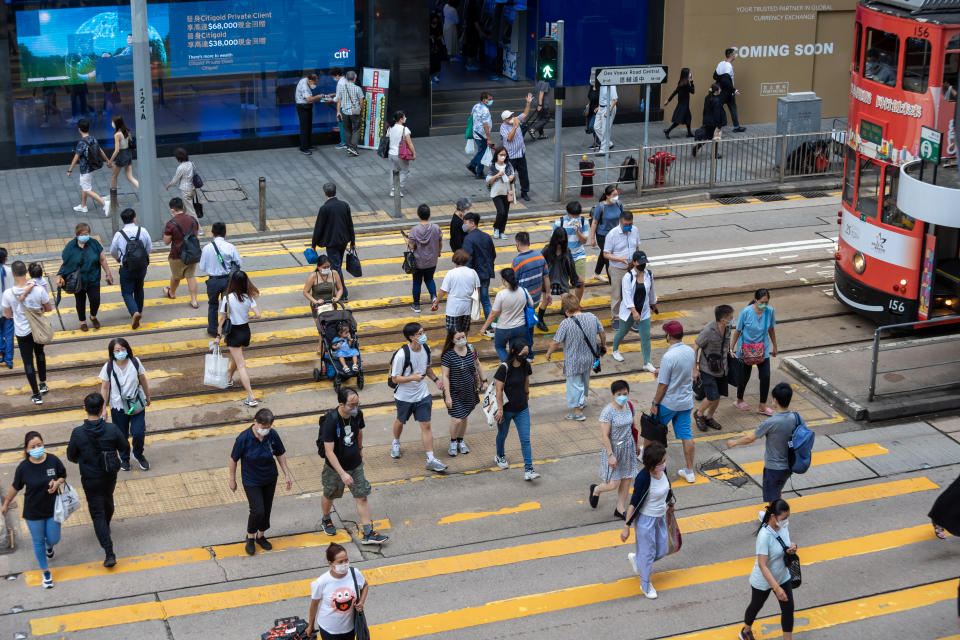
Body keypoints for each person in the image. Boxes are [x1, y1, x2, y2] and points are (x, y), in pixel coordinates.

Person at [66, 392, 129, 567]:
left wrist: (84, 459)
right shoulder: (112, 429)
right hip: (109, 476)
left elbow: (71, 456)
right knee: (108, 500)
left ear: (84, 409)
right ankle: (105, 527)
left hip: (90, 478)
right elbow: (124, 446)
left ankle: (109, 552)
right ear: (103, 408)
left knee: (97, 513)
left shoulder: (78, 433)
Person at [319, 388, 389, 545]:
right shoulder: (331, 421)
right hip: (335, 468)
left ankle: (368, 533)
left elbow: (359, 432)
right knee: (330, 494)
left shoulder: (357, 414)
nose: (355, 407)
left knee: (362, 496)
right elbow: (329, 452)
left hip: (355, 464)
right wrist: (342, 474)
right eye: (351, 405)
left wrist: (360, 449)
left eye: (357, 404)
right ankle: (326, 518)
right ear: (341, 404)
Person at [1, 431, 67, 589]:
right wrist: (6, 503)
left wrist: (58, 483)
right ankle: (46, 573)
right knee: (38, 541)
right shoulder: (23, 468)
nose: (37, 448)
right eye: (33, 447)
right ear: (27, 450)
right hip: (33, 513)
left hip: (52, 510)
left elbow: (62, 475)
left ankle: (49, 546)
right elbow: (15, 487)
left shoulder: (52, 460)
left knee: (54, 538)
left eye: (39, 445)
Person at [228, 408, 293, 555]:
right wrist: (232, 479)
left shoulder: (272, 435)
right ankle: (250, 537)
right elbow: (233, 459)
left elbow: (280, 454)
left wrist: (287, 475)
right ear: (255, 422)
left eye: (268, 427)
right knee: (258, 510)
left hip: (269, 477)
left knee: (267, 508)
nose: (266, 430)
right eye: (263, 427)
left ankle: (261, 536)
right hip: (251, 480)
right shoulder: (244, 438)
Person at [390, 322, 447, 472]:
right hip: (404, 397)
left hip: (422, 395)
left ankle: (430, 458)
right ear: (411, 337)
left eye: (423, 332)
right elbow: (395, 378)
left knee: (426, 425)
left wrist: (436, 380)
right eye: (420, 333)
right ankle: (396, 441)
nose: (423, 335)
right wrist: (412, 378)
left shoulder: (426, 349)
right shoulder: (402, 355)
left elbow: (427, 368)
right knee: (400, 421)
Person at [620, 441, 674, 600]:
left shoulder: (663, 470)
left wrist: (670, 503)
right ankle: (645, 585)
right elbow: (634, 503)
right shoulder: (643, 478)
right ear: (652, 464)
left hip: (660, 518)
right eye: (661, 462)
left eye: (664, 461)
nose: (664, 464)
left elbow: (667, 489)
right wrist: (626, 526)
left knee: (662, 550)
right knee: (648, 553)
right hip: (646, 521)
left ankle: (638, 560)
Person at [726, 383, 797, 502]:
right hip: (789, 465)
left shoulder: (771, 422)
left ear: (774, 400)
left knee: (772, 499)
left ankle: (778, 518)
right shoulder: (795, 417)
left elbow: (750, 438)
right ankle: (778, 514)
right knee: (777, 490)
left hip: (773, 468)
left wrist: (734, 442)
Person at [739, 499, 797, 640]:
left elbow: (786, 543)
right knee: (756, 606)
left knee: (788, 610)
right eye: (784, 518)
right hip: (764, 580)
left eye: (787, 517)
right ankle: (746, 631)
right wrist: (776, 588)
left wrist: (792, 548)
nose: (786, 521)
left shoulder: (783, 527)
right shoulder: (764, 536)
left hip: (782, 574)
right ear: (773, 517)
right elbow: (762, 565)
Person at [546, 294, 605, 421]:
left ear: (566, 311)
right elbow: (602, 332)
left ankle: (578, 412)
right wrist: (603, 345)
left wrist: (549, 353)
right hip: (589, 358)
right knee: (584, 381)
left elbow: (556, 342)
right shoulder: (592, 317)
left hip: (573, 360)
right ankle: (581, 402)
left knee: (574, 385)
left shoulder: (565, 323)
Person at [651, 320, 697, 484]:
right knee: (686, 435)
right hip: (686, 402)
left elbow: (663, 385)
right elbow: (686, 371)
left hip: (669, 403)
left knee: (654, 434)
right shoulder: (690, 351)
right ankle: (690, 471)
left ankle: (654, 466)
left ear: (669, 336)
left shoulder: (668, 356)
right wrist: (662, 370)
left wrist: (655, 402)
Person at [1, 261, 52, 405]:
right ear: (26, 272)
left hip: (22, 332)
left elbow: (8, 315)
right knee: (40, 354)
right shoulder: (38, 289)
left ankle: (36, 395)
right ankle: (43, 384)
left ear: (13, 274)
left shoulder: (8, 294)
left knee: (28, 362)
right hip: (38, 329)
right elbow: (48, 308)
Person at [588, 379, 640, 518]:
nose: (622, 396)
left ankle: (620, 508)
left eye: (625, 393)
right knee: (613, 484)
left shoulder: (629, 405)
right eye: (619, 394)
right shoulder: (608, 412)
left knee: (627, 478)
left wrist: (636, 445)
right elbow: (605, 436)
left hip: (628, 447)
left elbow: (632, 427)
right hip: (614, 449)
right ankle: (596, 489)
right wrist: (611, 455)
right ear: (613, 395)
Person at [98, 338, 151, 472]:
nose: (120, 352)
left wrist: (147, 396)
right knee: (121, 435)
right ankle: (124, 458)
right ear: (112, 352)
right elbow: (105, 388)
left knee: (138, 433)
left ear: (127, 349)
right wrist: (103, 408)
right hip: (118, 407)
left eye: (122, 349)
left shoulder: (135, 362)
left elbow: (143, 379)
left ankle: (138, 454)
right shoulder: (109, 366)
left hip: (136, 404)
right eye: (117, 350)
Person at [493, 339, 539, 480]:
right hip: (506, 410)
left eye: (526, 353)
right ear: (514, 351)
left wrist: (527, 394)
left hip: (522, 409)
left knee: (525, 439)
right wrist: (500, 410)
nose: (525, 355)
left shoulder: (525, 365)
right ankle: (499, 456)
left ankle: (529, 469)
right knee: (502, 434)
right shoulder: (504, 368)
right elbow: (499, 390)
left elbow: (526, 380)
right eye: (522, 353)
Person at [56, 223, 113, 331]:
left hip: (93, 278)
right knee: (80, 301)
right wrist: (59, 276)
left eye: (87, 234)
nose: (85, 236)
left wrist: (108, 273)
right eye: (82, 234)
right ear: (77, 235)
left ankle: (93, 316)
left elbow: (102, 259)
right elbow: (64, 262)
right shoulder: (71, 246)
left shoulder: (94, 243)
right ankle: (82, 321)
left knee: (95, 299)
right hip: (78, 280)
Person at [730, 288, 779, 416]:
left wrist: (775, 346)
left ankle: (762, 406)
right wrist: (731, 348)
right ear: (755, 299)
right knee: (744, 377)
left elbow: (771, 329)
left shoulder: (770, 311)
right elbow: (737, 331)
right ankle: (739, 399)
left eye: (766, 302)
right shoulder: (746, 312)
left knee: (765, 376)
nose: (764, 305)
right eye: (762, 302)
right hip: (746, 349)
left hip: (763, 348)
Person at [217, 270, 262, 407]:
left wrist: (218, 336)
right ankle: (229, 377)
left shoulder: (227, 298)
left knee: (241, 365)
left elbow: (222, 319)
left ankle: (251, 396)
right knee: (237, 357)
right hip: (245, 332)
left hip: (234, 332)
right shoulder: (249, 297)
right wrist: (249, 316)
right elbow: (258, 315)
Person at [307, 542, 369, 639]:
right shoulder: (321, 582)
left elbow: (365, 585)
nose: (344, 564)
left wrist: (361, 602)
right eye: (340, 562)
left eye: (346, 560)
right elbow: (314, 605)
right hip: (329, 630)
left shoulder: (354, 573)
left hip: (350, 628)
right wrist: (311, 625)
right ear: (330, 563)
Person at [441, 330, 486, 456]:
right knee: (457, 420)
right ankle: (453, 441)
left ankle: (460, 440)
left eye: (463, 336)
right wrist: (448, 396)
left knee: (464, 416)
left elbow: (478, 365)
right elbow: (445, 376)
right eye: (458, 337)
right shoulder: (448, 356)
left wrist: (485, 380)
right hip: (454, 392)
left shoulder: (471, 349)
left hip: (469, 390)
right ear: (452, 340)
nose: (462, 339)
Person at [612, 250, 658, 370]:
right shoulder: (628, 277)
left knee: (646, 336)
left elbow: (651, 291)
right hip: (629, 312)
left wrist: (654, 303)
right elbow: (626, 296)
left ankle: (647, 363)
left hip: (644, 311)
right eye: (641, 262)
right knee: (623, 332)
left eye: (644, 262)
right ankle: (615, 349)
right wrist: (634, 311)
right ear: (635, 262)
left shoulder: (649, 274)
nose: (643, 265)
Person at [311, 183, 356, 303]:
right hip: (343, 241)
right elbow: (350, 224)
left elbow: (318, 227)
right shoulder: (344, 205)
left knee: (335, 268)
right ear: (335, 192)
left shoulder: (324, 208)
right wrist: (352, 241)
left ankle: (343, 294)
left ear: (324, 193)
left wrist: (313, 244)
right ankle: (341, 292)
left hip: (331, 243)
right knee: (338, 265)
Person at [693, 304, 734, 431]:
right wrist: (694, 369)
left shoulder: (728, 328)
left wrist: (730, 351)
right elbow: (695, 348)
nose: (732, 319)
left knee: (719, 394)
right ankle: (699, 414)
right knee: (712, 396)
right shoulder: (708, 331)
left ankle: (709, 417)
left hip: (723, 368)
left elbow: (725, 345)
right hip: (707, 369)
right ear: (723, 320)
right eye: (731, 317)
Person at [109, 208, 152, 330]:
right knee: (139, 289)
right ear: (134, 218)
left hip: (126, 267)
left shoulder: (119, 234)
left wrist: (118, 259)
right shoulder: (142, 231)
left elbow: (112, 251)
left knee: (127, 292)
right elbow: (149, 248)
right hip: (141, 266)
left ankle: (134, 313)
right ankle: (139, 311)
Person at [480, 268, 534, 362]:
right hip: (520, 327)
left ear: (504, 280)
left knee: (500, 347)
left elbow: (493, 314)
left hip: (504, 328)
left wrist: (484, 328)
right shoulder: (523, 290)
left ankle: (507, 366)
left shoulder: (501, 294)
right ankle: (516, 367)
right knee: (514, 350)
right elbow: (532, 304)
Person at [199, 222, 242, 337]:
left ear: (212, 233)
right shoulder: (230, 247)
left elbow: (202, 267)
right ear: (225, 234)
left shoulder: (207, 248)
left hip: (213, 281)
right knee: (228, 305)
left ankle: (213, 329)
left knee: (213, 305)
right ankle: (227, 327)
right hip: (227, 281)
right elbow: (239, 263)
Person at [512, 231, 552, 349]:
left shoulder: (517, 261)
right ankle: (529, 347)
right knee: (530, 322)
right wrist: (548, 293)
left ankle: (527, 350)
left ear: (517, 244)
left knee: (522, 326)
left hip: (522, 300)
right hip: (535, 299)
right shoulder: (540, 256)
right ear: (529, 242)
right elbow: (546, 276)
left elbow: (513, 282)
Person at [603, 211, 641, 330]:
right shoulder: (612, 234)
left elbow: (637, 246)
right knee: (617, 294)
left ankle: (632, 317)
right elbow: (606, 254)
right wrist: (620, 259)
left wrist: (636, 262)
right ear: (620, 222)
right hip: (617, 269)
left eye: (630, 223)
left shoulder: (634, 230)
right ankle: (616, 318)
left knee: (632, 293)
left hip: (632, 268)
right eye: (626, 224)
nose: (628, 226)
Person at [67, 118, 111, 215]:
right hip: (94, 167)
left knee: (87, 189)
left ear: (79, 129)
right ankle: (83, 206)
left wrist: (69, 170)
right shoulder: (93, 138)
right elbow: (100, 150)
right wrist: (107, 160)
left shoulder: (81, 143)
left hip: (85, 169)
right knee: (84, 185)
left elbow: (76, 157)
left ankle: (104, 203)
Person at [162, 197, 200, 309]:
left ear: (172, 210)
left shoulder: (171, 224)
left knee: (176, 276)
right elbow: (195, 235)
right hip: (192, 254)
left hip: (177, 255)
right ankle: (194, 301)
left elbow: (166, 242)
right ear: (183, 207)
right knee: (191, 276)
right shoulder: (193, 220)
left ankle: (172, 293)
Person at [540, 226, 580, 331]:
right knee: (545, 302)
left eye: (562, 241)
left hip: (562, 280)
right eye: (559, 241)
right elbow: (539, 264)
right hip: (548, 280)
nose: (560, 244)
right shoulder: (546, 250)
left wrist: (575, 280)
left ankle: (570, 323)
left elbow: (571, 266)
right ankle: (540, 321)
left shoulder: (567, 251)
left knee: (567, 302)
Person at [461, 212, 496, 328]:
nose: (463, 225)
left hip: (475, 276)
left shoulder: (468, 239)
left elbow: (467, 259)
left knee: (469, 300)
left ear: (472, 223)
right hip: (486, 273)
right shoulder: (486, 236)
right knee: (485, 300)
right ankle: (491, 326)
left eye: (465, 223)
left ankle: (464, 325)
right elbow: (493, 254)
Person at [303, 255, 345, 353]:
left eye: (328, 267)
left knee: (332, 327)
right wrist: (315, 302)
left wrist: (337, 298)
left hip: (331, 305)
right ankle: (320, 347)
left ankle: (331, 345)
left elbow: (340, 288)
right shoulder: (313, 276)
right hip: (318, 308)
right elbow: (305, 292)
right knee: (321, 329)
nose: (326, 269)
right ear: (318, 267)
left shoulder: (334, 274)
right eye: (324, 267)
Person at [433, 249, 479, 334]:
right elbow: (477, 290)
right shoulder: (473, 272)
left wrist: (436, 302)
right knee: (464, 331)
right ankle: (463, 345)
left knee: (452, 333)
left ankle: (454, 346)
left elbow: (443, 291)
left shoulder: (451, 273)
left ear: (454, 260)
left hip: (453, 307)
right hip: (467, 306)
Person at [498, 94, 534, 201]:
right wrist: (515, 127)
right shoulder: (503, 127)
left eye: (512, 116)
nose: (512, 118)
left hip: (521, 154)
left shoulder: (515, 120)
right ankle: (510, 193)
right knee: (510, 176)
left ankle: (524, 192)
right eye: (509, 117)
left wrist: (528, 103)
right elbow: (509, 138)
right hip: (510, 156)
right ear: (505, 120)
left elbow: (525, 114)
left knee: (524, 174)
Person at [407, 204, 442, 313]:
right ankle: (434, 299)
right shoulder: (436, 228)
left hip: (418, 262)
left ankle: (416, 305)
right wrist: (438, 252)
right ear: (429, 214)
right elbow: (440, 243)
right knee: (429, 279)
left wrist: (406, 240)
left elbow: (411, 246)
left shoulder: (414, 230)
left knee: (417, 282)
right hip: (432, 261)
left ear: (418, 215)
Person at [553, 201, 590, 300]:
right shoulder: (559, 222)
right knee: (565, 283)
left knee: (580, 282)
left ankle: (576, 304)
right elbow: (554, 241)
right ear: (567, 212)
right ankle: (566, 304)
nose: (574, 218)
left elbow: (585, 240)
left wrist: (577, 231)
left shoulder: (583, 221)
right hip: (564, 256)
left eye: (576, 216)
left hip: (579, 254)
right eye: (572, 215)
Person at [589, 186, 623, 280]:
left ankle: (597, 273)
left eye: (617, 194)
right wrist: (592, 238)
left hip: (616, 235)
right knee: (609, 258)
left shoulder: (619, 204)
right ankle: (613, 283)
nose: (616, 197)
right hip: (603, 236)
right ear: (607, 196)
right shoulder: (600, 207)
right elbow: (594, 222)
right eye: (614, 195)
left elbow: (622, 219)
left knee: (603, 253)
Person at [486, 146, 517, 239]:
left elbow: (512, 175)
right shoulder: (493, 166)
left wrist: (512, 177)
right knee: (501, 211)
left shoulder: (508, 165)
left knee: (506, 212)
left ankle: (502, 231)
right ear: (497, 155)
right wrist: (497, 175)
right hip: (496, 193)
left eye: (504, 155)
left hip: (507, 192)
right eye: (501, 154)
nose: (503, 156)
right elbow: (489, 181)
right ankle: (496, 228)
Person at [716, 48, 746, 133]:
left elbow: (715, 76)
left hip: (721, 91)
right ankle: (736, 127)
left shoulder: (720, 64)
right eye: (734, 54)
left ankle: (715, 126)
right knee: (733, 108)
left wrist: (720, 81)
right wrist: (733, 90)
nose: (735, 55)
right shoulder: (728, 66)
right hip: (728, 92)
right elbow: (726, 80)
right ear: (731, 55)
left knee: (718, 107)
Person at [693, 82, 726, 159]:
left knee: (707, 137)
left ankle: (696, 148)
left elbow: (705, 110)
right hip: (714, 122)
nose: (720, 90)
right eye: (719, 89)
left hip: (708, 121)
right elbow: (717, 114)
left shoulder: (707, 97)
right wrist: (719, 125)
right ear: (716, 91)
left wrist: (704, 120)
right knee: (716, 137)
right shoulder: (716, 100)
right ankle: (714, 154)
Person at [165, 148, 199, 221]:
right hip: (192, 189)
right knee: (185, 208)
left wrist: (169, 185)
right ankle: (181, 221)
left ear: (179, 158)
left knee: (191, 210)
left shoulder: (181, 167)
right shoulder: (191, 163)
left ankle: (199, 228)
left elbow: (175, 180)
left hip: (185, 191)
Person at [388, 110, 416, 197]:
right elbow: (410, 143)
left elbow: (387, 137)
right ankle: (397, 189)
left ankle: (393, 189)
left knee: (394, 171)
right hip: (400, 154)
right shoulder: (405, 129)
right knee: (405, 171)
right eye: (404, 117)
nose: (405, 118)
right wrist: (413, 153)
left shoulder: (390, 127)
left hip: (391, 153)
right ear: (401, 119)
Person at [336, 70, 365, 157]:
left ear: (347, 78)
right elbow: (361, 102)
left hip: (344, 112)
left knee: (347, 129)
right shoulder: (358, 88)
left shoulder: (342, 88)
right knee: (357, 129)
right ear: (355, 78)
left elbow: (339, 101)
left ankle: (349, 147)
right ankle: (352, 147)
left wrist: (338, 112)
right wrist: (362, 111)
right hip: (355, 112)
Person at [107, 114, 138, 190]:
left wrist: (110, 161)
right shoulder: (126, 130)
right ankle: (143, 190)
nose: (112, 123)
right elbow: (130, 142)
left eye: (113, 122)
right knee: (129, 176)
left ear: (116, 123)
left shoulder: (117, 135)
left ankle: (113, 197)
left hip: (121, 155)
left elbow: (117, 150)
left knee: (114, 176)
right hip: (128, 153)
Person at [467, 93, 494, 178]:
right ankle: (474, 167)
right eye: (489, 99)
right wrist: (489, 138)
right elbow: (485, 125)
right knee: (482, 153)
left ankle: (478, 170)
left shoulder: (476, 106)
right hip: (482, 135)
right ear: (484, 100)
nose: (491, 101)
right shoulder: (485, 111)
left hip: (476, 133)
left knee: (481, 151)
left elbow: (471, 115)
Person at [663, 68, 695, 139]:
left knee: (688, 118)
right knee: (678, 120)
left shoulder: (681, 82)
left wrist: (668, 100)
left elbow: (675, 92)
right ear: (687, 74)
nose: (690, 73)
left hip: (683, 104)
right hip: (684, 105)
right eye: (689, 72)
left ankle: (689, 133)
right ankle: (668, 131)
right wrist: (692, 81)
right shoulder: (686, 83)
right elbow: (693, 91)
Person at [295, 72, 322, 155]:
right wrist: (318, 97)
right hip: (303, 106)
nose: (315, 85)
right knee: (304, 128)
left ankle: (308, 144)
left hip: (307, 106)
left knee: (309, 126)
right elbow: (308, 99)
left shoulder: (306, 80)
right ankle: (303, 147)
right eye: (314, 83)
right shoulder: (304, 86)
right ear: (310, 81)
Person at [595, 83, 619, 152]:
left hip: (609, 107)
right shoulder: (601, 84)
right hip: (601, 107)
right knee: (596, 127)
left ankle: (603, 149)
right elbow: (602, 97)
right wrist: (599, 106)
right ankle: (608, 143)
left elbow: (615, 100)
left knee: (605, 130)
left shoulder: (611, 85)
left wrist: (609, 111)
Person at [0, 248, 12, 369]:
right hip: (8, 307)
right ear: (5, 258)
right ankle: (9, 359)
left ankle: (1, 352)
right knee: (9, 334)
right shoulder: (10, 271)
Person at [586, 78, 602, 149]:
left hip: (598, 110)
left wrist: (599, 107)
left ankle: (600, 141)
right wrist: (588, 104)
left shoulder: (600, 88)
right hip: (591, 110)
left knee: (592, 127)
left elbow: (603, 99)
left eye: (591, 78)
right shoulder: (591, 87)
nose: (590, 79)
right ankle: (596, 142)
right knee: (593, 126)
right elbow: (590, 97)